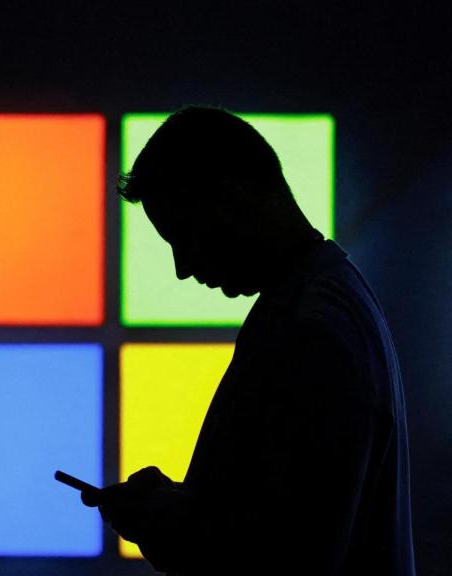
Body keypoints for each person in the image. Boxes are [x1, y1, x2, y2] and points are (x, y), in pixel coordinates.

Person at [87, 106, 416, 575]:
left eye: (183, 237)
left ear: (231, 199)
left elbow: (287, 555)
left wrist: (166, 522)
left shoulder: (308, 330)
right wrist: (184, 510)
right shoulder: (326, 302)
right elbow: (285, 514)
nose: (183, 268)